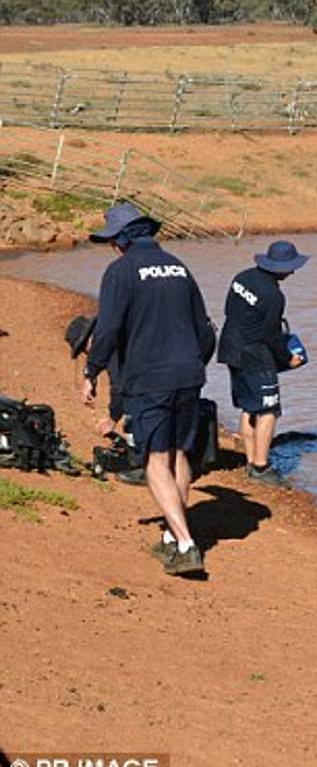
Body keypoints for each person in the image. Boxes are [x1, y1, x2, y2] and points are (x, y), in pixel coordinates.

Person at [82, 201, 215, 575]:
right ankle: (173, 537)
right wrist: (193, 364)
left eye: (111, 240)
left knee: (155, 460)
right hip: (189, 374)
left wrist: (92, 371)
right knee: (178, 453)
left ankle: (186, 545)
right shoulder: (179, 267)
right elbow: (205, 330)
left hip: (150, 377)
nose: (111, 247)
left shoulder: (119, 272)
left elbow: (107, 330)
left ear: (121, 240)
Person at [217, 240, 309, 488]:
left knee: (249, 406)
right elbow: (271, 335)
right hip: (254, 354)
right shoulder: (273, 295)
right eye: (291, 267)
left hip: (229, 347)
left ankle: (250, 461)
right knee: (269, 409)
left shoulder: (242, 277)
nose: (293, 272)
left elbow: (229, 309)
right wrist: (288, 359)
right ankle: (260, 466)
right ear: (281, 268)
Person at [65, 314, 145, 485]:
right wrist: (90, 376)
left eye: (83, 349)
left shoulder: (114, 346)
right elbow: (99, 358)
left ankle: (144, 466)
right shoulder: (112, 333)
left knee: (136, 405)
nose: (86, 354)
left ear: (90, 338)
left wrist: (112, 419)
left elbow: (120, 388)